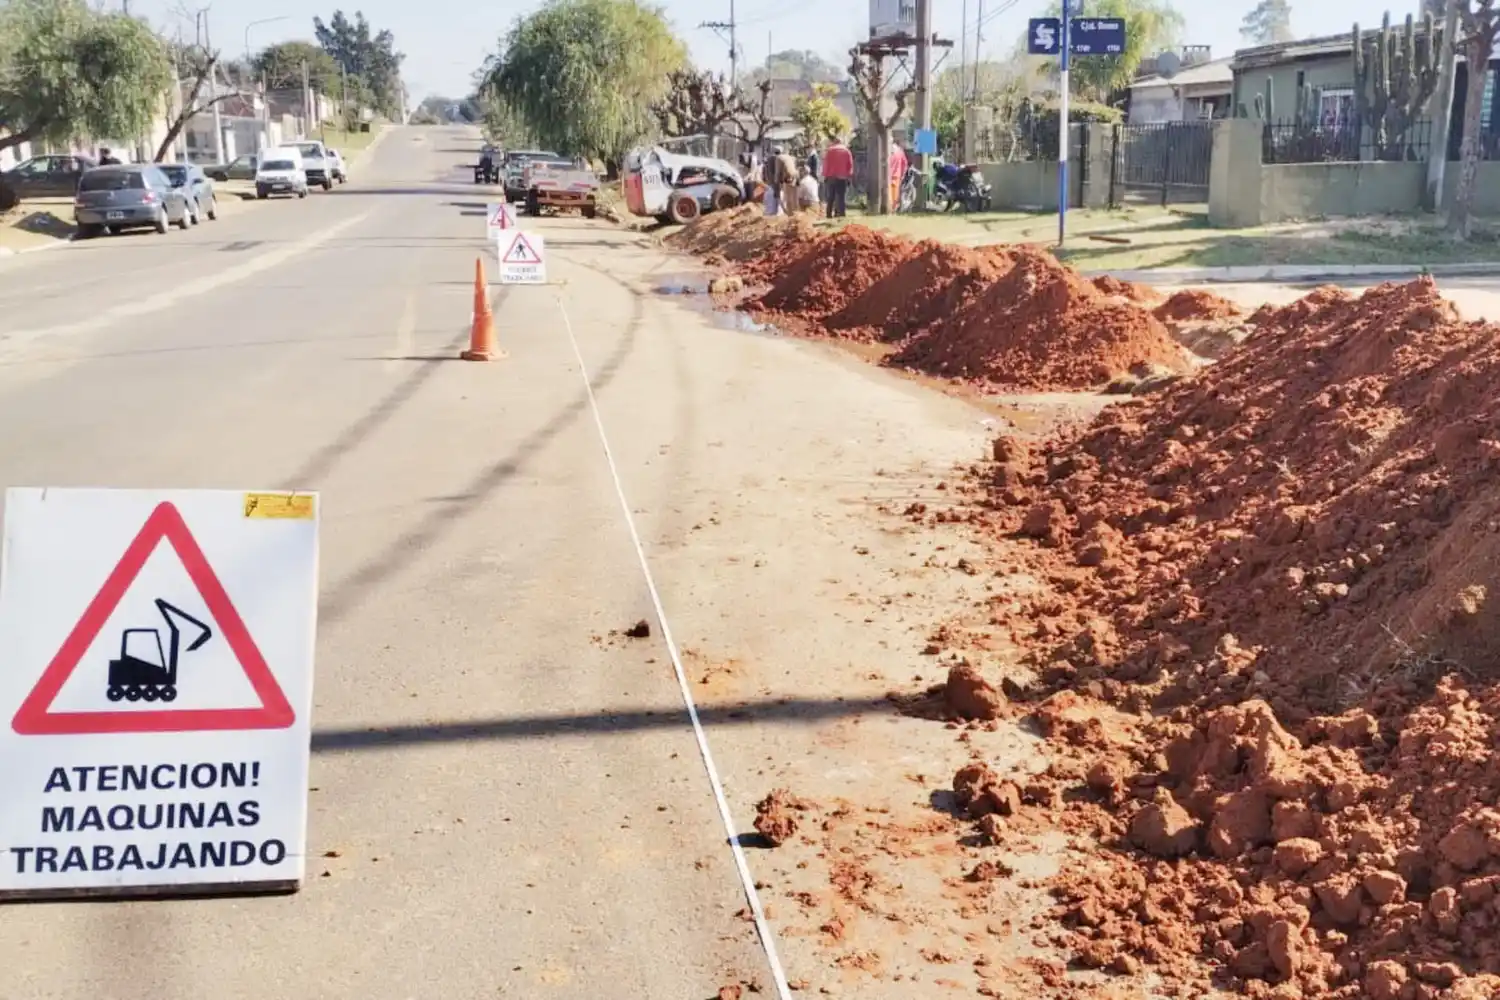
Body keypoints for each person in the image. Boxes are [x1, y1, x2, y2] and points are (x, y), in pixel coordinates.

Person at [821, 136, 853, 218]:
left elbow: (825, 164)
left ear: (834, 142)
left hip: (831, 177)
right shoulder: (846, 151)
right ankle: (841, 213)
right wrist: (849, 175)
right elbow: (850, 165)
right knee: (841, 196)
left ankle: (828, 214)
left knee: (830, 196)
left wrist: (825, 175)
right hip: (842, 177)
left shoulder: (829, 151)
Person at [773, 145, 798, 218]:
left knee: (788, 198)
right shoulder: (789, 156)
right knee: (794, 198)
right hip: (796, 176)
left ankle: (790, 216)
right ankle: (795, 214)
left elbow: (777, 172)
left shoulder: (778, 158)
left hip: (788, 177)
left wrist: (776, 184)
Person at [888, 139, 908, 213]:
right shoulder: (900, 151)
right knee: (895, 194)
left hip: (887, 175)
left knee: (888, 192)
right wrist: (902, 174)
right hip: (897, 175)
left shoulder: (886, 150)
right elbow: (905, 164)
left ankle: (889, 208)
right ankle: (893, 208)